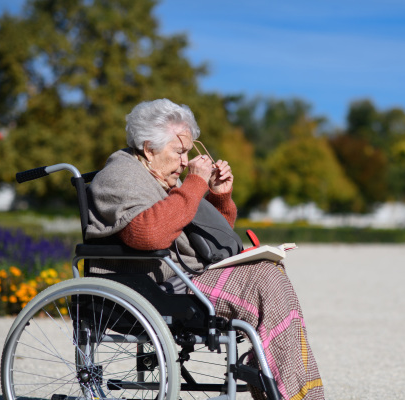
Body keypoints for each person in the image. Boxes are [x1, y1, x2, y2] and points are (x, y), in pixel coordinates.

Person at [85, 98, 324, 400]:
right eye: (179, 152)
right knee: (265, 280)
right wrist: (195, 183)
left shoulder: (161, 179)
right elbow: (150, 235)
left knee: (267, 271)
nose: (185, 162)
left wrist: (219, 197)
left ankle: (276, 372)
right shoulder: (120, 176)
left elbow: (208, 241)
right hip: (154, 287)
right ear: (148, 148)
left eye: (188, 152)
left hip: (182, 278)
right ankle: (286, 384)